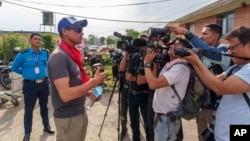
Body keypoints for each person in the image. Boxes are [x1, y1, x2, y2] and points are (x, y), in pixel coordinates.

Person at [181, 26, 250, 141]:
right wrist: (193, 62)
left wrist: (196, 62)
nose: (229, 52)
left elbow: (219, 88)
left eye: (232, 47)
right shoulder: (236, 68)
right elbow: (211, 82)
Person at [47, 16, 105, 141]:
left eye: (82, 29)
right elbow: (66, 95)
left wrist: (89, 93)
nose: (82, 32)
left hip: (79, 112)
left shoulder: (72, 54)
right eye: (78, 28)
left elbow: (74, 84)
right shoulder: (59, 57)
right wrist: (94, 81)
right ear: (65, 31)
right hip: (68, 118)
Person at [171, 24, 231, 141]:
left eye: (205, 33)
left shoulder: (224, 51)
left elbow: (210, 52)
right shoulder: (202, 53)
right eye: (201, 33)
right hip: (202, 104)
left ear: (215, 36)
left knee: (217, 137)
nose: (201, 36)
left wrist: (187, 34)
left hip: (216, 107)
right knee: (202, 136)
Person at [143, 37, 193, 141]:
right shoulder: (170, 65)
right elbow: (154, 79)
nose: (172, 46)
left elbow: (153, 84)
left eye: (177, 46)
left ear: (183, 52)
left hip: (167, 119)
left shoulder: (180, 68)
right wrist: (155, 64)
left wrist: (146, 64)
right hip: (162, 117)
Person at [11, 33, 54, 141]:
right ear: (30, 41)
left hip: (44, 84)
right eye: (35, 39)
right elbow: (14, 67)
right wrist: (25, 73)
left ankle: (46, 126)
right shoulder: (23, 54)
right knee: (28, 110)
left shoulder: (45, 53)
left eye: (40, 39)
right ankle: (27, 133)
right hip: (30, 85)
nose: (38, 41)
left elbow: (49, 65)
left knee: (44, 107)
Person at [119, 34, 151, 141]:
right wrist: (127, 52)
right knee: (134, 122)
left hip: (145, 94)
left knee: (147, 123)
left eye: (143, 43)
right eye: (138, 43)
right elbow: (122, 69)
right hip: (131, 93)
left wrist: (134, 78)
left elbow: (152, 76)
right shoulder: (132, 55)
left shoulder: (149, 56)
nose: (140, 47)